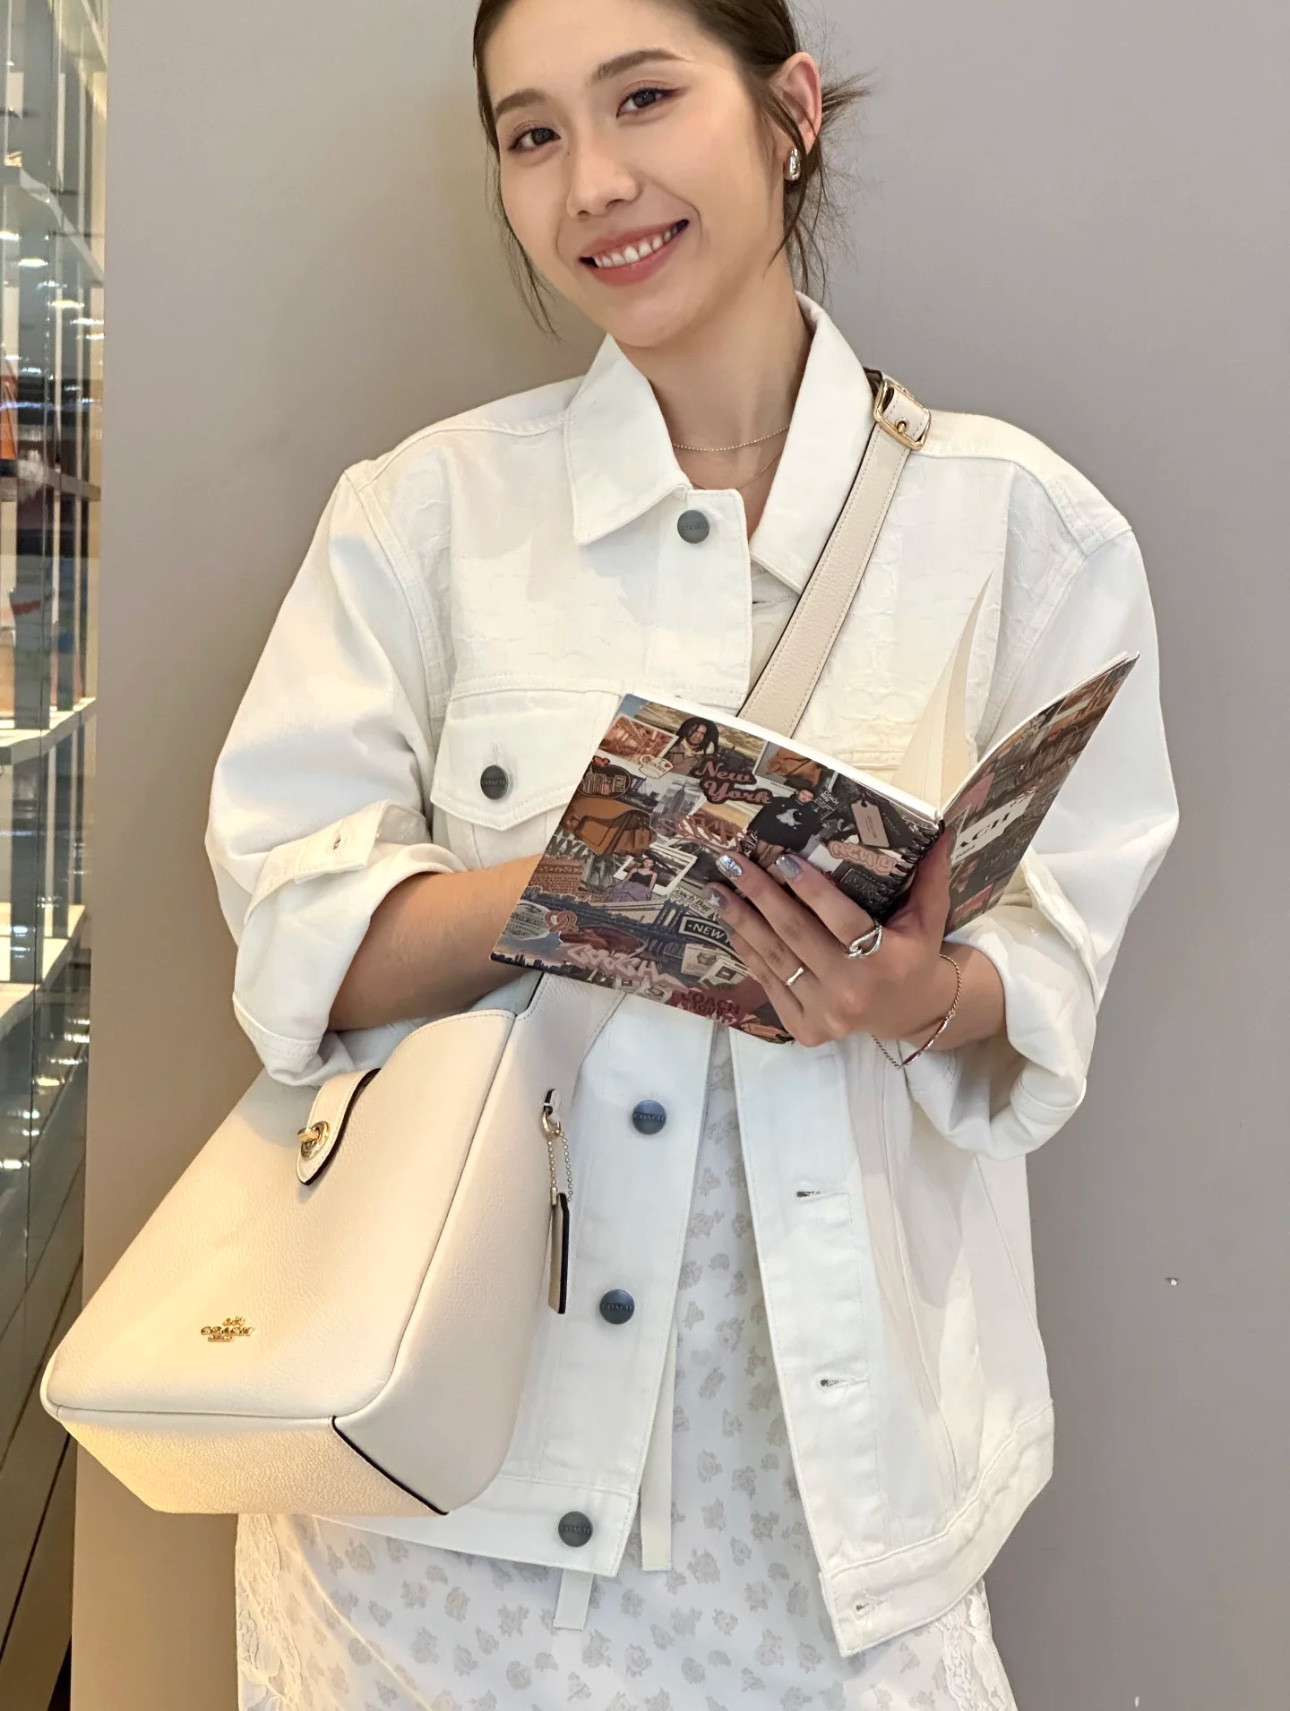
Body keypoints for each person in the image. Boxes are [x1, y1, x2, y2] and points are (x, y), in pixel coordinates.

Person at [207, 0, 1178, 1706]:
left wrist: (913, 992)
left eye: (644, 97)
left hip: (831, 1512)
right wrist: (595, 881)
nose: (593, 181)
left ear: (789, 109)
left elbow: (1052, 958)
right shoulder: (423, 514)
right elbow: (293, 933)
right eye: (531, 133)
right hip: (437, 1519)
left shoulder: (1021, 531)